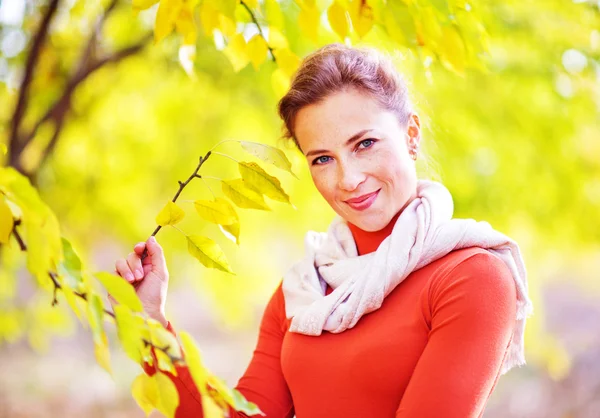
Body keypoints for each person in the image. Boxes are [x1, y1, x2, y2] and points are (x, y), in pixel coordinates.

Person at [112, 44, 532, 418]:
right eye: (322, 159)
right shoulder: (304, 288)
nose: (348, 179)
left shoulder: (472, 277)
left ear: (411, 136)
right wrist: (149, 319)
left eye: (364, 143)